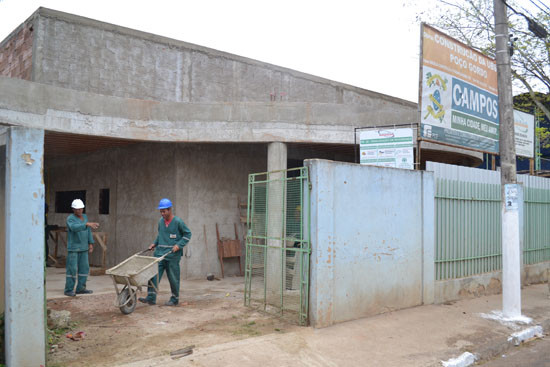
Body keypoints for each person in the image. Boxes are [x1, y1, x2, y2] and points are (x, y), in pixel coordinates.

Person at [139, 198, 192, 306]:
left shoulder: (178, 222)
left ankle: (174, 299)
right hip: (159, 254)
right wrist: (154, 244)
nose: (162, 213)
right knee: (153, 275)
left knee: (173, 277)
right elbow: (160, 235)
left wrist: (179, 245)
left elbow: (187, 234)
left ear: (169, 210)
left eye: (164, 211)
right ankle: (151, 298)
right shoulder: (160, 222)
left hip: (172, 255)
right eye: (161, 211)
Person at [64, 199, 99, 297]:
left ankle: (81, 288)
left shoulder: (84, 217)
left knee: (84, 268)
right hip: (74, 248)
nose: (79, 211)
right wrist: (86, 224)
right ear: (73, 209)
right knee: (72, 269)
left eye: (81, 209)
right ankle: (68, 289)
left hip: (84, 248)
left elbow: (88, 231)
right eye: (77, 209)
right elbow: (74, 227)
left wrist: (90, 243)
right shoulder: (70, 218)